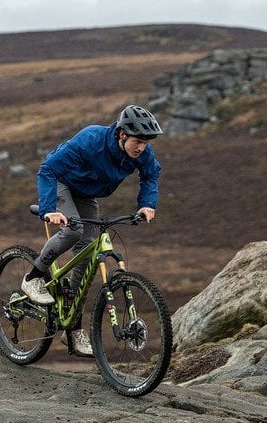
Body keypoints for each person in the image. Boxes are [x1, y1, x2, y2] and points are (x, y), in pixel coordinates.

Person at [21, 104, 164, 356]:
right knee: (74, 231)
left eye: (146, 143)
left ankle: (73, 328)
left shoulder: (142, 153)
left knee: (87, 255)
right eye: (138, 141)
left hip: (87, 194)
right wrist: (49, 209)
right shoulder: (91, 140)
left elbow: (151, 174)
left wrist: (146, 205)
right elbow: (48, 170)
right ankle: (33, 278)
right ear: (122, 134)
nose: (141, 147)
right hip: (61, 184)